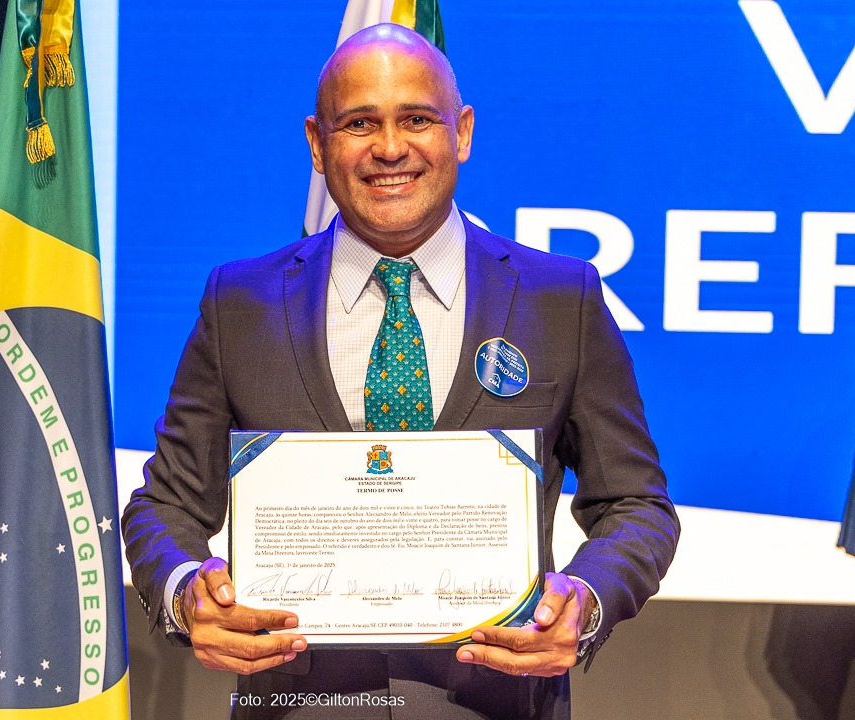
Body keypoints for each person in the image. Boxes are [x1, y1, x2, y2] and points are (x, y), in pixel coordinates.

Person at [122, 23, 679, 720]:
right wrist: (185, 591)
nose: (390, 148)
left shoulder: (559, 298)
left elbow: (636, 505)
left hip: (496, 704)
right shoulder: (240, 303)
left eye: (416, 119)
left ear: (463, 132)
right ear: (318, 145)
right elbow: (165, 504)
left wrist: (584, 601)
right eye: (359, 123)